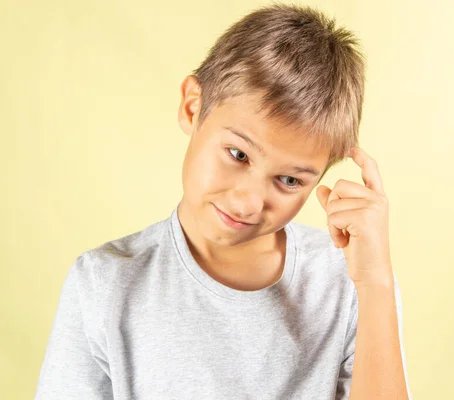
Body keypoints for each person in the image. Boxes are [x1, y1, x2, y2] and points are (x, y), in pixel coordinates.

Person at [35, 4, 412, 399]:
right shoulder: (104, 284)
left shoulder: (347, 284)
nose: (249, 202)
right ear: (192, 107)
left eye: (288, 180)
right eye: (237, 154)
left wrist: (376, 282)